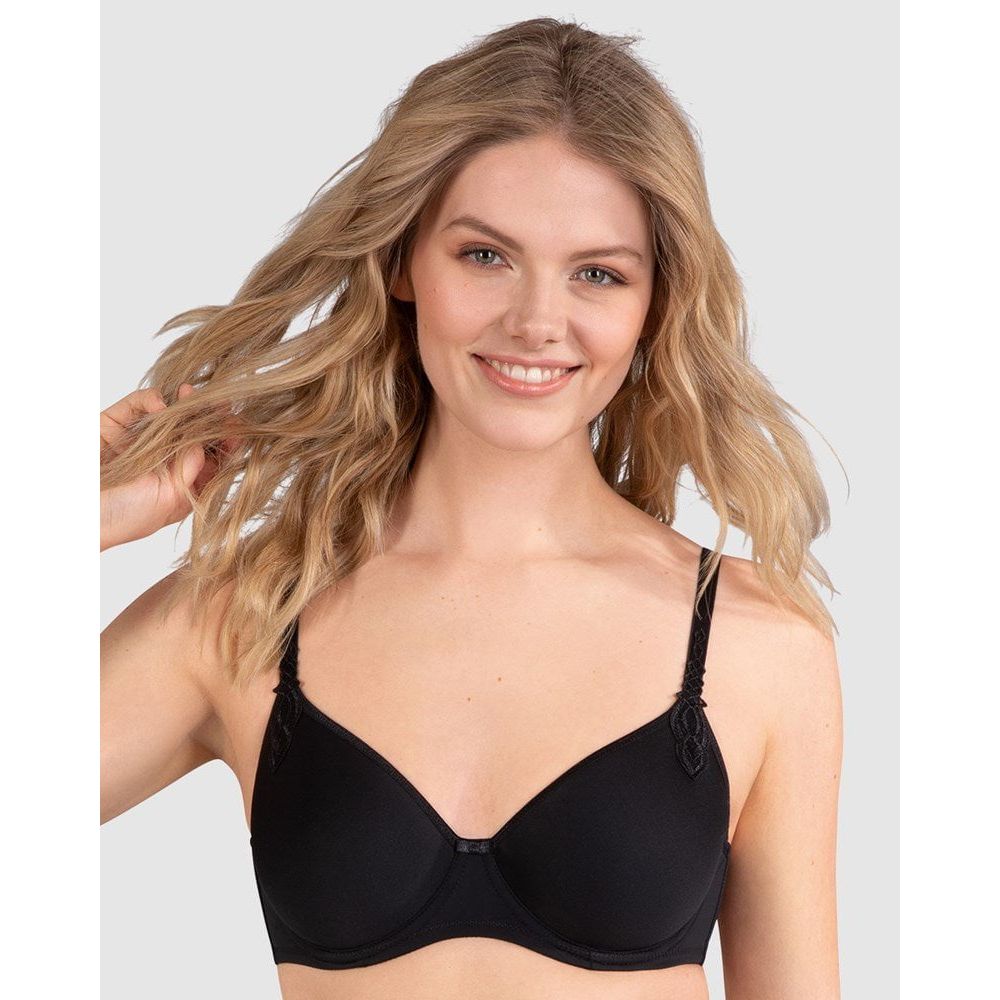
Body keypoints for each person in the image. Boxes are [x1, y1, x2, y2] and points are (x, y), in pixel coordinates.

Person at [101, 17, 843, 1000]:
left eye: (598, 273)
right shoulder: (245, 615)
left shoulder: (756, 643)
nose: (536, 321)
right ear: (403, 262)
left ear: (655, 303)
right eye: (486, 256)